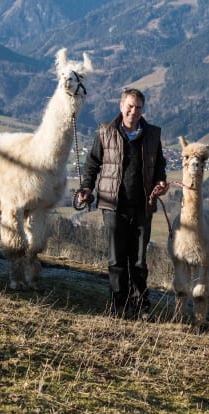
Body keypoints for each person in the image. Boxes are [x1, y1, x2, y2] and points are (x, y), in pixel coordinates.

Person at [78, 88, 169, 319]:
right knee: (116, 260)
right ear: (121, 106)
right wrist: (87, 188)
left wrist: (160, 182)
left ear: (142, 109)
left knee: (138, 261)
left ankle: (141, 307)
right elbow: (92, 164)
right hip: (113, 205)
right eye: (130, 106)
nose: (133, 111)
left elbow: (159, 165)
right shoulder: (106, 131)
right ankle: (118, 306)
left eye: (138, 107)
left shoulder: (153, 134)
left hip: (142, 206)